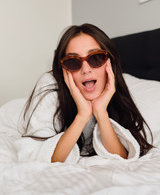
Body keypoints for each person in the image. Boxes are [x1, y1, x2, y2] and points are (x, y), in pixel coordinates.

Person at [22, 23, 153, 163]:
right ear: (63, 69)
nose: (86, 69)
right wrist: (82, 115)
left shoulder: (116, 91)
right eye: (73, 61)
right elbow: (43, 158)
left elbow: (122, 156)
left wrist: (101, 112)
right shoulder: (49, 85)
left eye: (95, 58)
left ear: (109, 63)